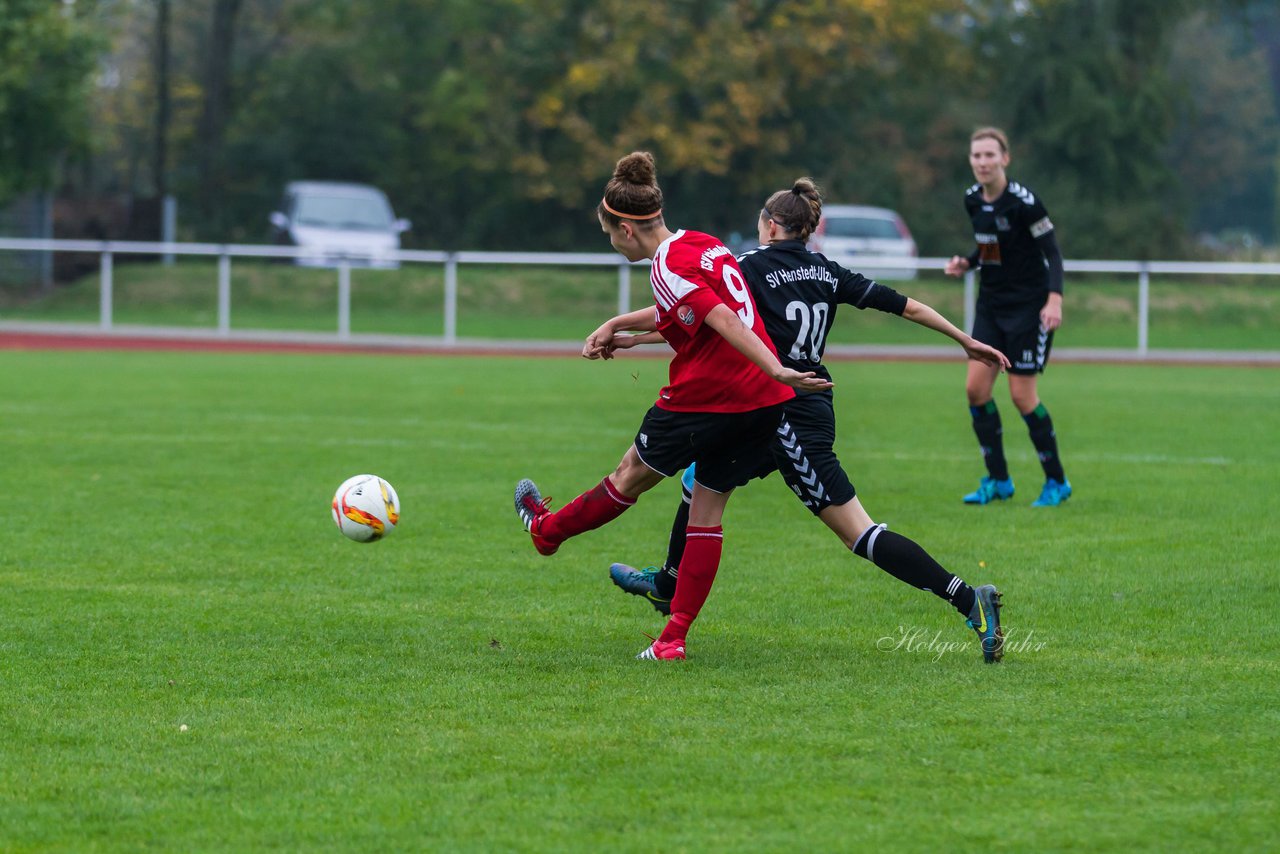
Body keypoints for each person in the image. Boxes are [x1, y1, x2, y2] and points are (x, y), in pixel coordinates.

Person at [603, 178, 1012, 663]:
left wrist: (624, 328)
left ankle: (970, 599)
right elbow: (908, 305)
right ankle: (669, 584)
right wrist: (963, 340)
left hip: (787, 415)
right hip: (790, 403)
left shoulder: (748, 266)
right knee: (702, 476)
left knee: (858, 533)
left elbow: (695, 312)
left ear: (770, 225)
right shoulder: (826, 271)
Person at [513, 151, 832, 662]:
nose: (612, 245)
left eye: (609, 236)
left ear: (625, 229)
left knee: (627, 476)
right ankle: (672, 640)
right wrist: (624, 327)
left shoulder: (666, 265)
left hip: (710, 399)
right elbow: (688, 310)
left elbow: (724, 319)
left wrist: (775, 365)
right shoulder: (700, 244)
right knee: (707, 505)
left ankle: (546, 533)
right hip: (764, 404)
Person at [945, 127, 1072, 507]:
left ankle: (1057, 482)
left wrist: (1054, 300)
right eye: (976, 155)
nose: (982, 162)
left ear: (1005, 159)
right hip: (991, 306)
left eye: (989, 155)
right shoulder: (972, 200)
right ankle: (998, 480)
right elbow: (989, 247)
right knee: (975, 391)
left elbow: (1053, 254)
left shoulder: (1025, 203)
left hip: (1028, 310)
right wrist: (967, 262)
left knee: (1021, 396)